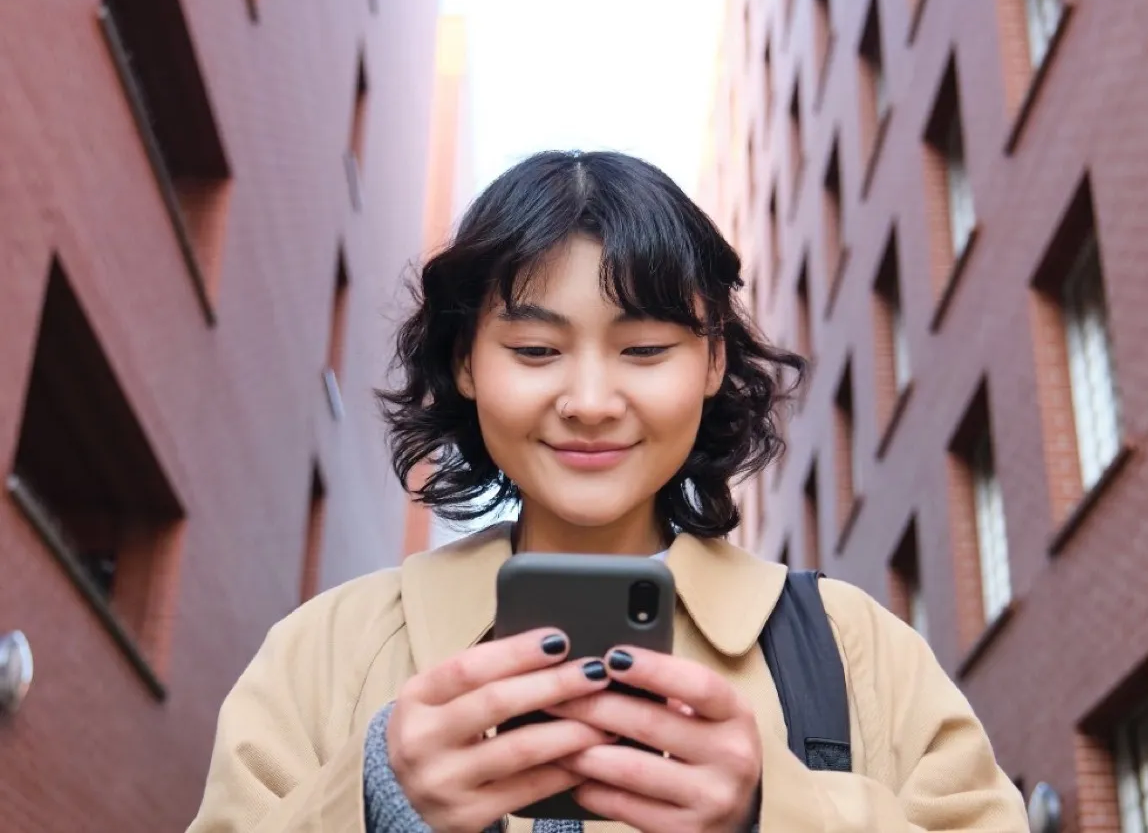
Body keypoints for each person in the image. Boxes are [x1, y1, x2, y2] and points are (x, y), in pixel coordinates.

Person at [187, 151, 1029, 833]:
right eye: (535, 351)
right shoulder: (326, 650)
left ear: (714, 361)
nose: (589, 402)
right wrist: (376, 801)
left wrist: (771, 813)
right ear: (465, 364)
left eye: (644, 350)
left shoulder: (851, 650)